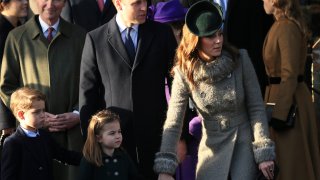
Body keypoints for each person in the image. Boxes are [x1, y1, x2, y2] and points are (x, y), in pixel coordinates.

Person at [153, 1, 275, 180]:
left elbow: (256, 107)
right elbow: (173, 122)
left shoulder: (240, 59)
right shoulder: (184, 72)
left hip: (243, 141)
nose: (218, 40)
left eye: (220, 34)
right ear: (196, 39)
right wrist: (166, 168)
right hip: (211, 147)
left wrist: (263, 153)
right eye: (210, 36)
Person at [78, 0, 177, 178]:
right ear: (118, 3)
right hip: (114, 145)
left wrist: (180, 136)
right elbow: (88, 94)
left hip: (156, 140)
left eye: (145, 2)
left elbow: (177, 86)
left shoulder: (162, 33)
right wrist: (92, 143)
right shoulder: (95, 39)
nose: (144, 7)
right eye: (136, 3)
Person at [0, 0, 86, 180]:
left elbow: (91, 84)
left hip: (72, 134)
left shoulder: (81, 37)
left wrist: (78, 113)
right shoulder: (16, 37)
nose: (50, 4)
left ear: (64, 3)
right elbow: (7, 87)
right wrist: (32, 114)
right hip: (30, 138)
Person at [262, 0, 320, 179]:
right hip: (283, 100)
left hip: (289, 105)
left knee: (292, 165)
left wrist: (280, 113)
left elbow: (289, 73)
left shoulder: (286, 27)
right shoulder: (281, 26)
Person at [1, 87, 82, 180]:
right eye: (36, 112)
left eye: (43, 110)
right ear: (21, 115)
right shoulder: (13, 143)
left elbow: (64, 155)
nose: (43, 115)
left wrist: (90, 159)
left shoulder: (44, 136)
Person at [79, 109, 141, 180]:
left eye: (119, 131)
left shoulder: (123, 156)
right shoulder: (90, 160)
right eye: (112, 133)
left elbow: (135, 177)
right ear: (99, 138)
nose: (118, 136)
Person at [0, 0, 28, 157]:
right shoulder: (2, 30)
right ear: (3, 3)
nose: (25, 3)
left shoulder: (18, 28)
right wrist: (5, 121)